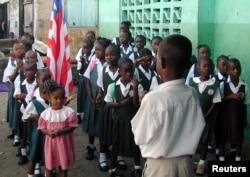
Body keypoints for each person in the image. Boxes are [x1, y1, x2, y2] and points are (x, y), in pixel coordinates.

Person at [131, 34, 205, 177]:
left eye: (156, 58)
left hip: (160, 168)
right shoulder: (192, 94)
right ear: (189, 63)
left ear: (162, 62)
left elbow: (140, 136)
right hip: (185, 166)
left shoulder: (153, 98)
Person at [105, 59, 143, 177]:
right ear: (119, 71)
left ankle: (137, 168)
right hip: (119, 120)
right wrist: (123, 103)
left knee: (135, 143)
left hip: (133, 120)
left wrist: (135, 88)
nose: (129, 73)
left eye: (131, 70)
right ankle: (112, 169)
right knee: (116, 143)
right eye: (125, 71)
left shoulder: (137, 85)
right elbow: (109, 104)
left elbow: (136, 103)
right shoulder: (112, 87)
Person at [187, 58, 221, 176]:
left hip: (206, 117)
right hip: (192, 118)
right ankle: (187, 162)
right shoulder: (192, 82)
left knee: (204, 140)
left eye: (209, 66)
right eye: (204, 66)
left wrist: (205, 115)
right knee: (190, 139)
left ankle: (201, 163)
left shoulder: (214, 84)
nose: (207, 68)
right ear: (198, 68)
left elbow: (215, 102)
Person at [38, 84, 78, 177]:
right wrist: (48, 132)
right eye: (55, 98)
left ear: (65, 99)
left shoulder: (68, 112)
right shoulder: (45, 114)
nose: (59, 101)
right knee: (49, 166)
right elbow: (41, 127)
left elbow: (73, 126)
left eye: (61, 98)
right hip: (51, 145)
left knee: (63, 166)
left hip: (64, 144)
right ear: (49, 99)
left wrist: (61, 132)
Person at [83, 37, 111, 160]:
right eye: (96, 49)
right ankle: (91, 146)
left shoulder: (109, 64)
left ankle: (104, 151)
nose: (97, 51)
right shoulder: (94, 61)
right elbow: (87, 80)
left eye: (100, 49)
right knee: (91, 121)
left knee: (103, 123)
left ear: (106, 50)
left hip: (105, 96)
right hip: (93, 95)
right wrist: (90, 98)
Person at [218, 58, 250, 162]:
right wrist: (231, 96)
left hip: (238, 117)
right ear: (227, 71)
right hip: (225, 117)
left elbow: (245, 104)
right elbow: (220, 100)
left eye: (238, 68)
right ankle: (221, 158)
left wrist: (245, 120)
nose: (236, 71)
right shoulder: (223, 84)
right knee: (222, 138)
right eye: (233, 69)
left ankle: (238, 158)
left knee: (238, 139)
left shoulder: (244, 85)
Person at [22, 71, 52, 177]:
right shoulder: (35, 102)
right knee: (34, 156)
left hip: (49, 135)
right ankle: (31, 174)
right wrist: (34, 117)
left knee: (48, 156)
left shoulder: (52, 99)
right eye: (44, 80)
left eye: (49, 79)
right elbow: (24, 116)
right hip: (38, 134)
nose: (47, 82)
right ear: (38, 81)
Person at [96, 44, 121, 171]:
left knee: (119, 131)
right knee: (104, 130)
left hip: (120, 106)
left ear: (119, 56)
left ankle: (119, 156)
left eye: (112, 54)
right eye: (107, 55)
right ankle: (102, 156)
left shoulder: (122, 70)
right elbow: (101, 86)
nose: (109, 57)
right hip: (106, 105)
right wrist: (100, 95)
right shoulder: (103, 70)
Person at [14, 61, 38, 165]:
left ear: (35, 71)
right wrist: (20, 98)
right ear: (24, 72)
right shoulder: (21, 83)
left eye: (32, 70)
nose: (29, 72)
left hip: (35, 114)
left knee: (33, 135)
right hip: (24, 113)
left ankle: (35, 155)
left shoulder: (38, 83)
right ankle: (23, 154)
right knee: (23, 135)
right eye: (27, 70)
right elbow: (17, 96)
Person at [75, 38, 94, 123]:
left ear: (91, 47)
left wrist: (87, 61)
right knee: (80, 97)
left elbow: (92, 69)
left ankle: (87, 115)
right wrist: (83, 62)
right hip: (83, 80)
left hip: (90, 81)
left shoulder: (93, 56)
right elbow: (81, 71)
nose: (85, 50)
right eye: (84, 48)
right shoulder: (82, 55)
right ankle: (78, 114)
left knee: (88, 97)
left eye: (87, 48)